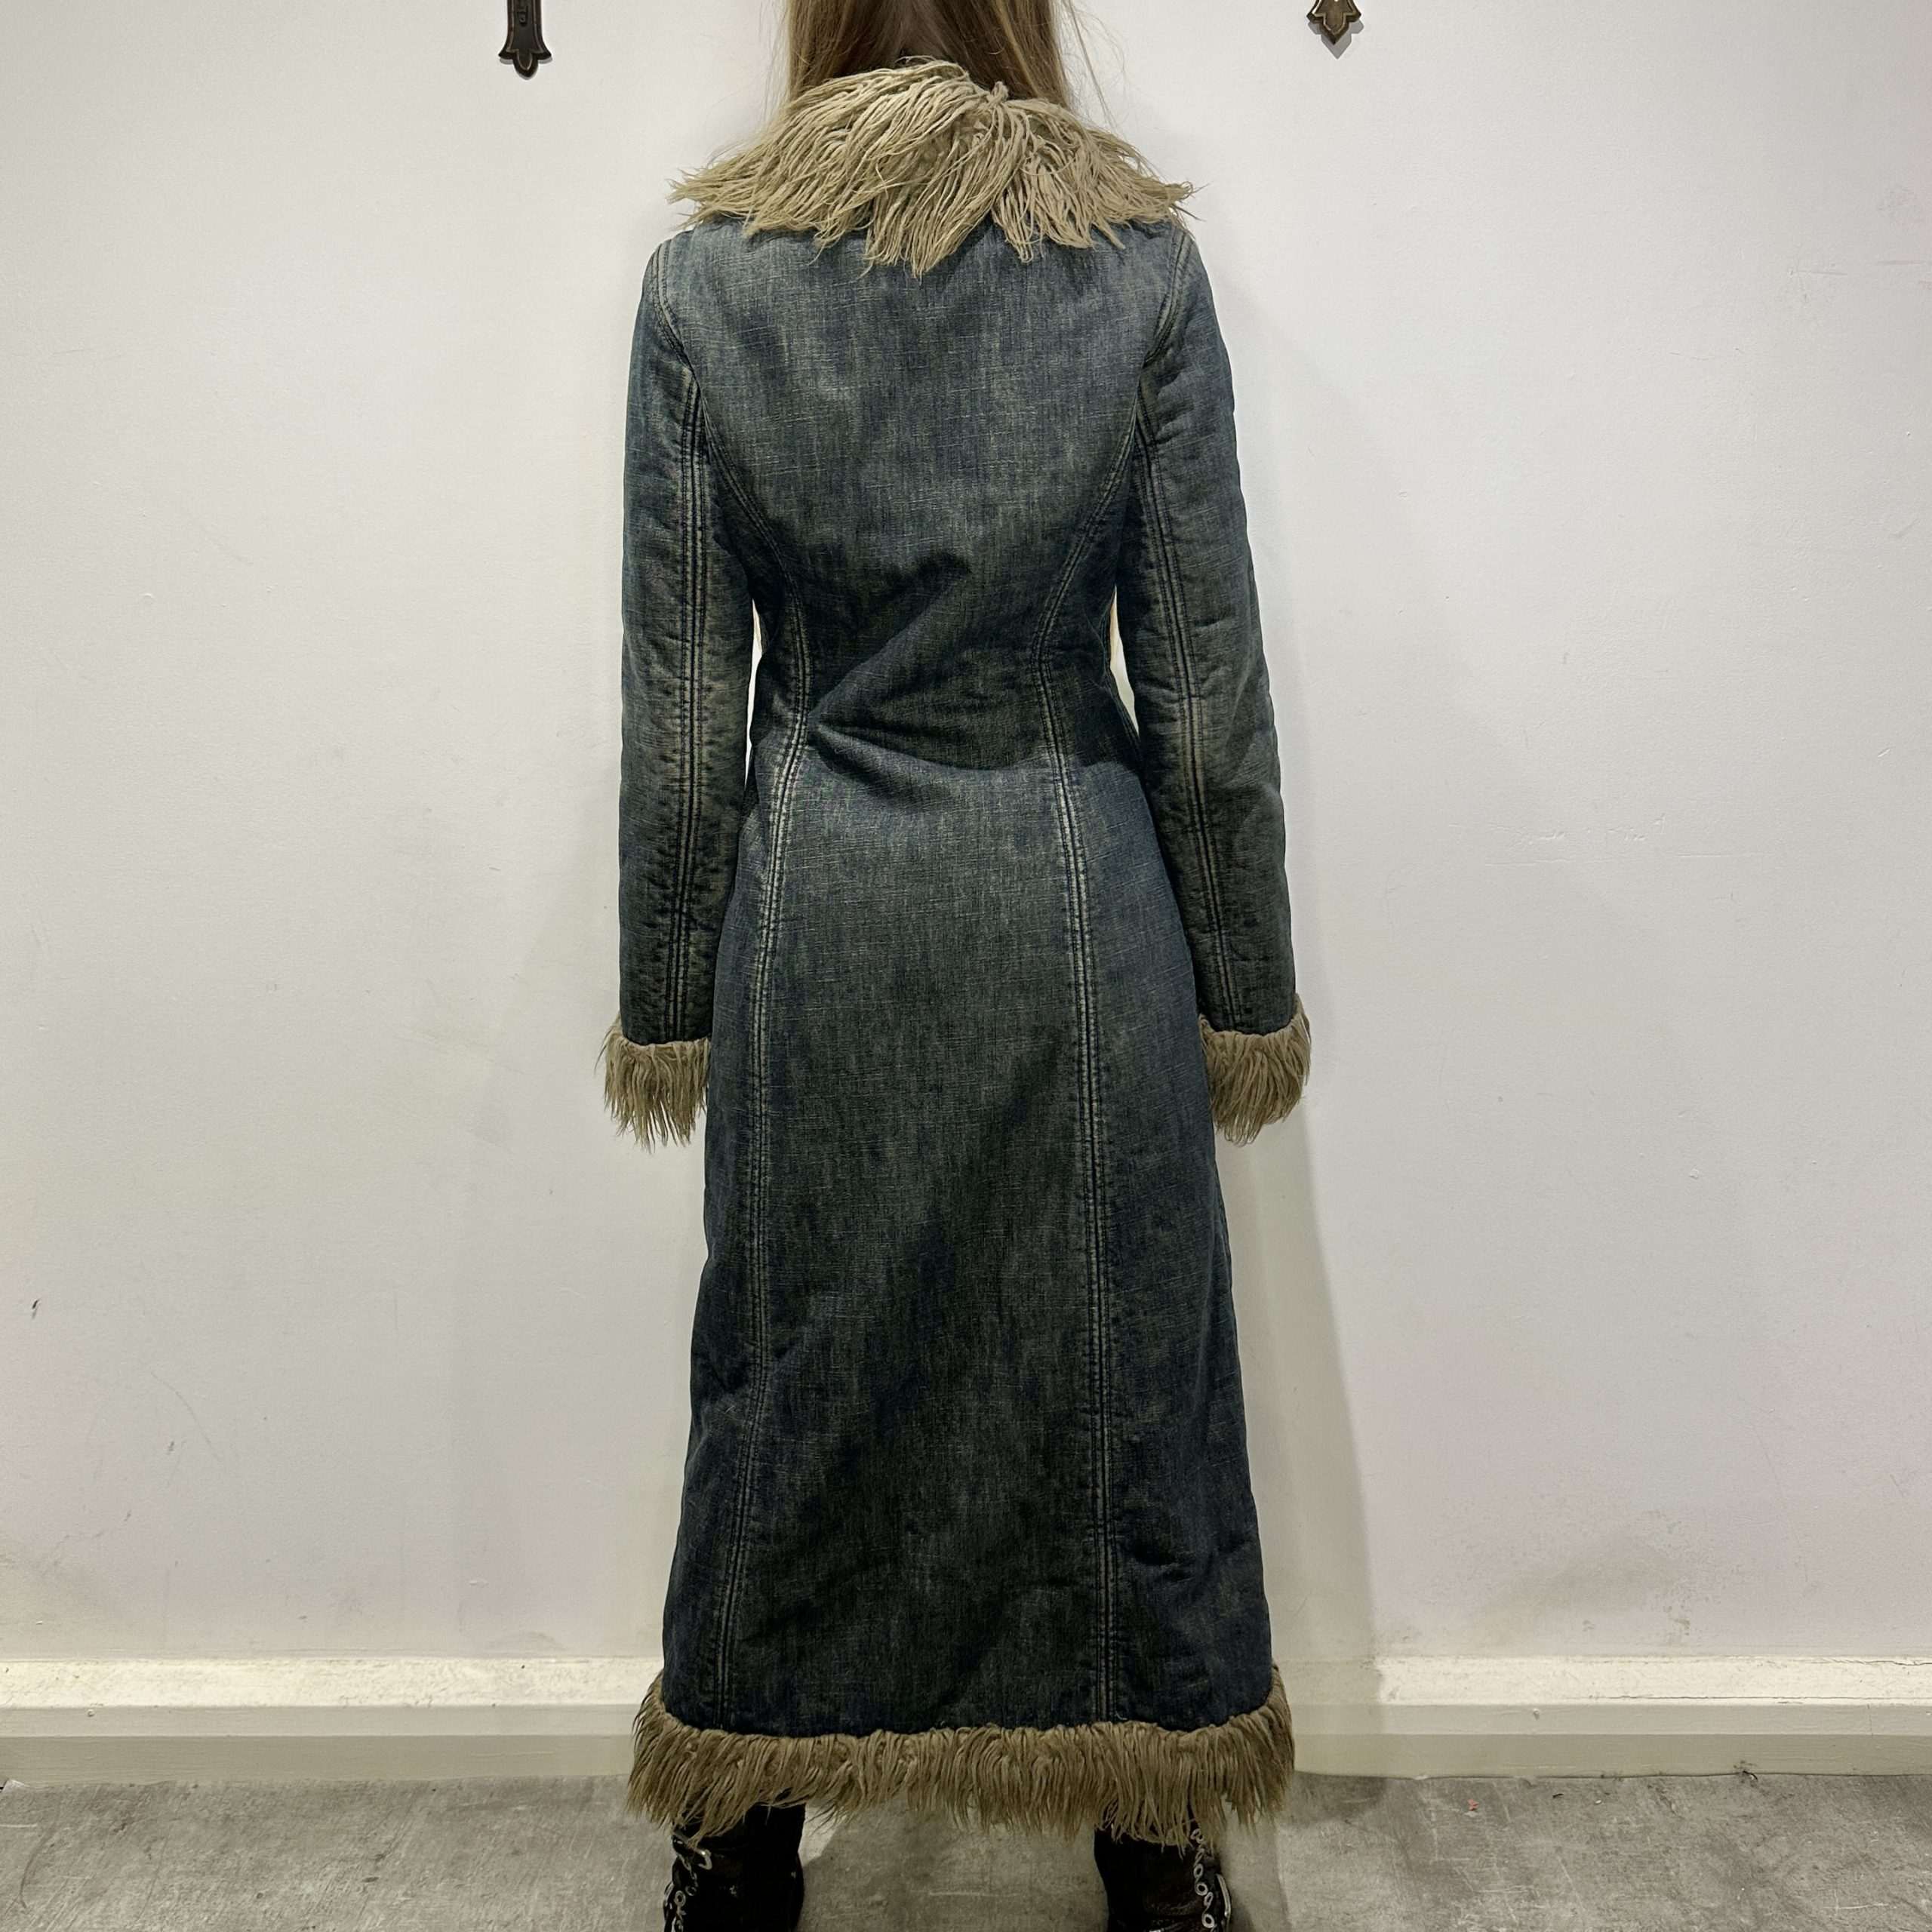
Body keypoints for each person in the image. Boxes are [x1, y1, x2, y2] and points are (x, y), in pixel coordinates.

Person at [599, 3, 1312, 1925]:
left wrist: (669, 995)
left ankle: (736, 1846)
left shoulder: (706, 289)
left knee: (787, 1372)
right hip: (1074, 905)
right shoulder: (1133, 275)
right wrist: (1241, 990)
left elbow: (684, 719)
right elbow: (1205, 698)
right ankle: (1155, 1853)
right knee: (1127, 1379)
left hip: (817, 913)